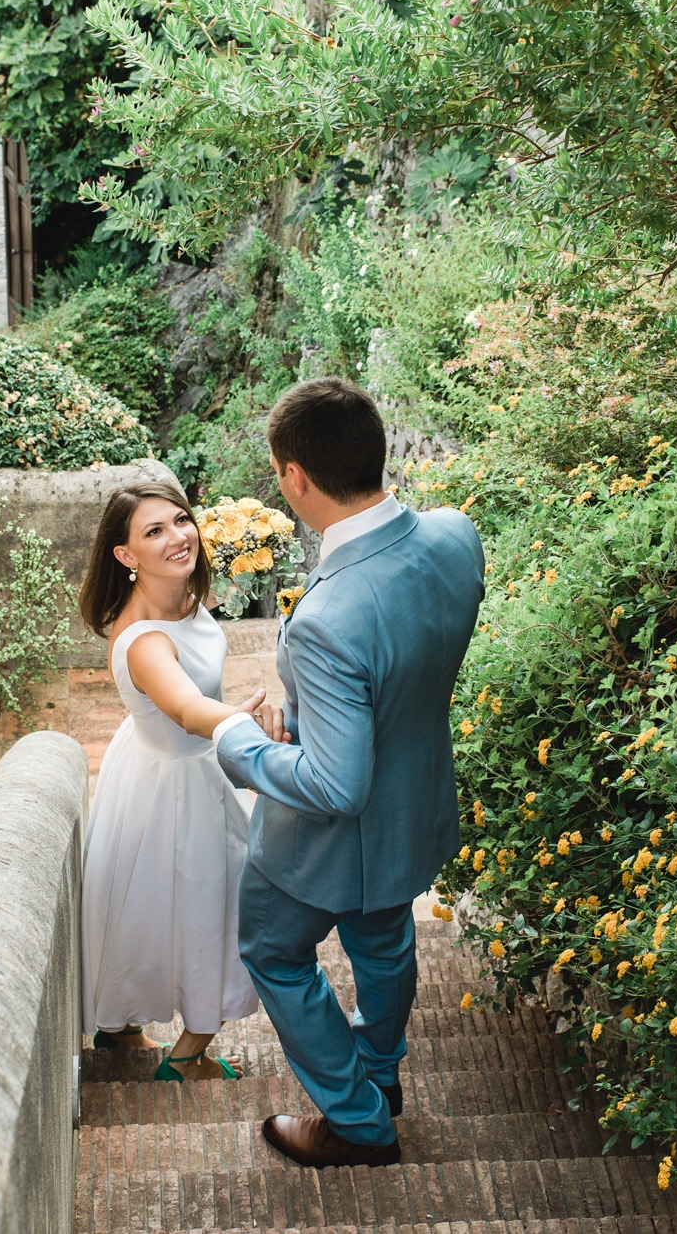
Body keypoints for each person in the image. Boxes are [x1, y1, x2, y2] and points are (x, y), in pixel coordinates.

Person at [213, 378, 484, 1168]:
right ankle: (381, 1070)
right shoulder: (454, 536)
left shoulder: (328, 618)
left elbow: (337, 786)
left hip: (320, 847)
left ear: (295, 477)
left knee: (274, 951)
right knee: (386, 939)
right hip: (414, 807)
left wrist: (242, 742)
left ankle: (360, 1121)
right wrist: (309, 720)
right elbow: (406, 665)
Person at [76, 481, 280, 1081]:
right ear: (125, 555)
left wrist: (227, 715)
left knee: (147, 905)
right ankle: (187, 1057)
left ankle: (120, 1031)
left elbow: (197, 699)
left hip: (156, 764)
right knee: (217, 908)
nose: (178, 537)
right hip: (177, 784)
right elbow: (189, 708)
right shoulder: (144, 641)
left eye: (180, 520)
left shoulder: (182, 598)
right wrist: (238, 723)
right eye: (154, 531)